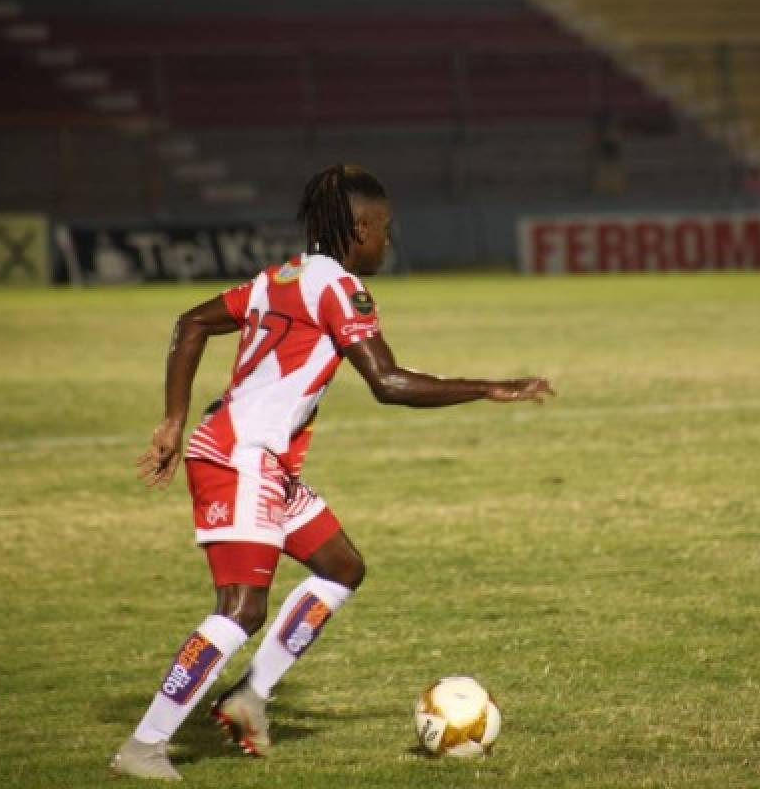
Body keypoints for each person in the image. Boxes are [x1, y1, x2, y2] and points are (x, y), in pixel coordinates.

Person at [110, 164, 555, 780]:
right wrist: (487, 387)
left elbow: (190, 324)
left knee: (342, 566)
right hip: (243, 456)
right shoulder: (339, 288)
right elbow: (390, 383)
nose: (388, 241)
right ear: (359, 227)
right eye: (385, 228)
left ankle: (247, 699)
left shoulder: (284, 275)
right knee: (240, 608)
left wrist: (172, 421)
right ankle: (143, 746)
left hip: (259, 455)